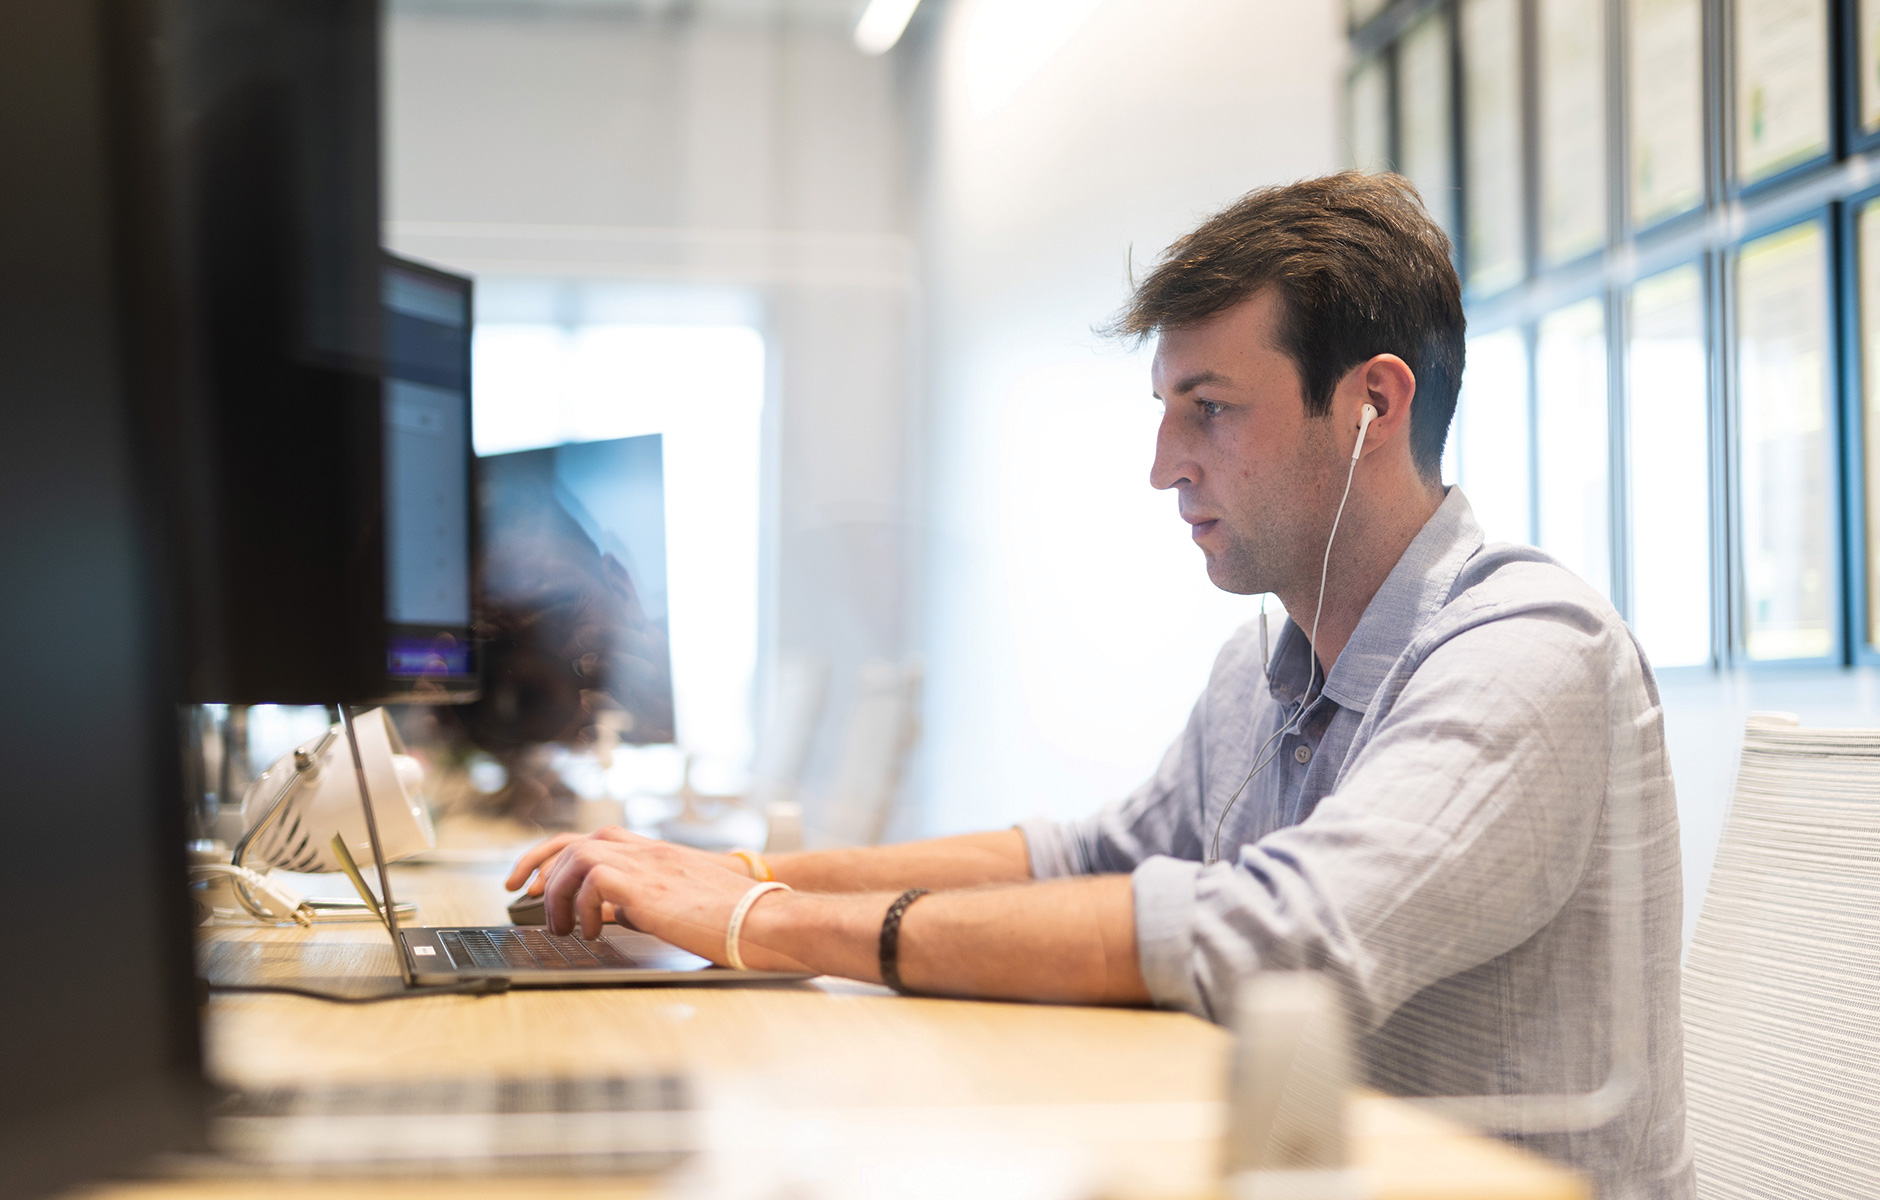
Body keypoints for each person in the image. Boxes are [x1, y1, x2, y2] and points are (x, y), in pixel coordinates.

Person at [504, 172, 1693, 1197]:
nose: (1163, 466)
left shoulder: (1528, 649)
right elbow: (1089, 858)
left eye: (1209, 411)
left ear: (1369, 404)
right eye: (1166, 412)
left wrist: (767, 926)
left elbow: (1283, 944)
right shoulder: (1262, 672)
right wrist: (740, 876)